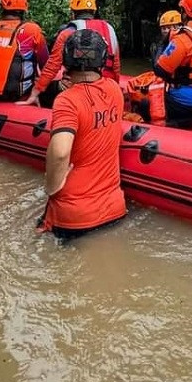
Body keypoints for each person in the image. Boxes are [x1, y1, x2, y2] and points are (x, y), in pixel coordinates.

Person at [40, 29, 127, 240]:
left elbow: (60, 152)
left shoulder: (67, 100)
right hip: (114, 209)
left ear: (66, 61)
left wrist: (51, 188)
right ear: (103, 58)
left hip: (74, 216)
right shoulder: (115, 90)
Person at [18, 0, 121, 107]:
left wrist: (35, 92)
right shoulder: (110, 30)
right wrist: (114, 91)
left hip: (76, 87)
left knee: (46, 92)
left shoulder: (68, 32)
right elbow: (116, 67)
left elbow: (52, 65)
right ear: (94, 11)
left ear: (73, 13)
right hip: (105, 87)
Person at [128, 10, 184, 124]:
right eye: (163, 28)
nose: (165, 31)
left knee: (145, 104)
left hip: (176, 90)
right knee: (140, 99)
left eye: (168, 28)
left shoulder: (182, 44)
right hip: (164, 86)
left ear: (177, 27)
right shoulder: (160, 46)